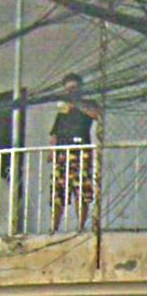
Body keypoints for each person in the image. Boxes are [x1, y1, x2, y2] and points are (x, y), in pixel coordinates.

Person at [49, 73, 100, 233]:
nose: (70, 92)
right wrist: (51, 151)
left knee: (81, 190)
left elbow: (96, 115)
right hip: (62, 154)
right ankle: (53, 228)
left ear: (80, 89)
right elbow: (54, 132)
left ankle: (80, 227)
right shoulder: (62, 110)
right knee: (58, 192)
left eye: (73, 88)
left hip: (80, 152)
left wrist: (77, 104)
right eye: (68, 89)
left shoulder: (88, 104)